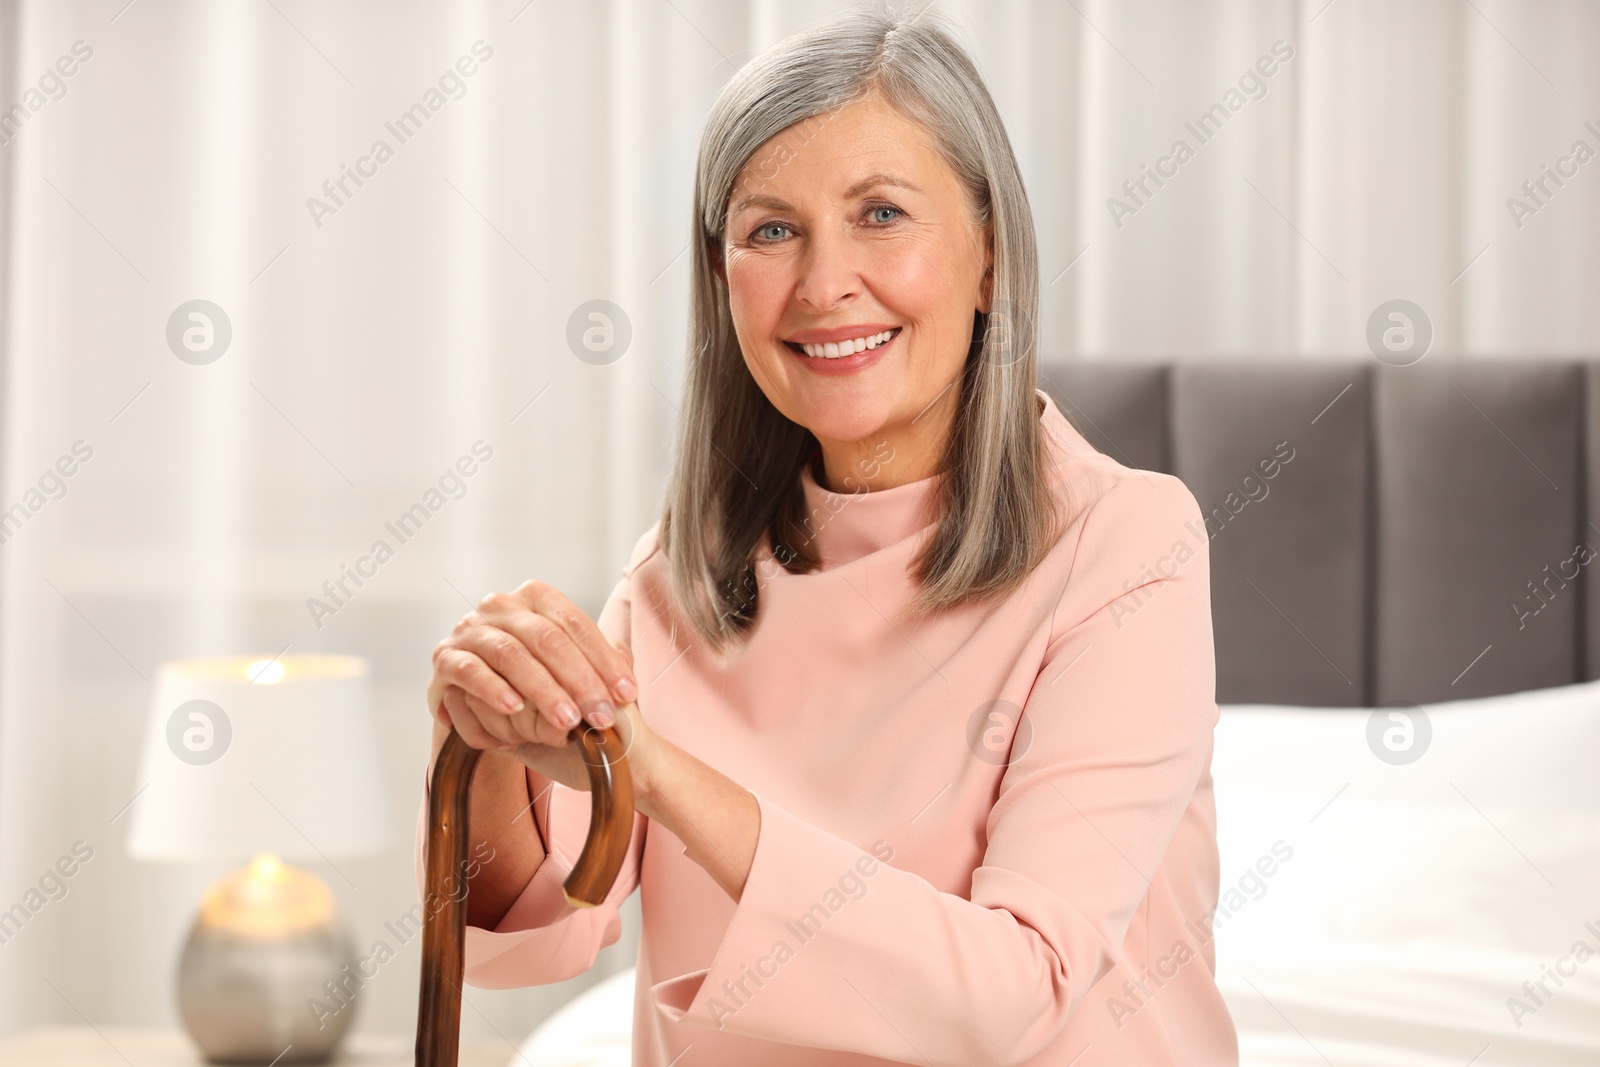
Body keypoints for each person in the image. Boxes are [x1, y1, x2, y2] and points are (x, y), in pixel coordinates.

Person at [418, 4, 1237, 1063]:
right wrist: (487, 732)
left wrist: (660, 772)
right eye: (770, 230)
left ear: (989, 256)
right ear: (722, 281)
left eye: (881, 214)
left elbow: (1013, 996)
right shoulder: (680, 574)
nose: (822, 283)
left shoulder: (1125, 542)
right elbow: (527, 939)